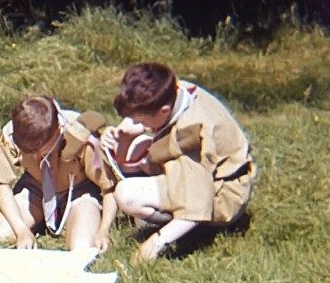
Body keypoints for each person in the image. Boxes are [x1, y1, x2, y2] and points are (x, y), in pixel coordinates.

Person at [101, 61, 255, 262]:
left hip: (225, 193)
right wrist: (121, 134)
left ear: (163, 111)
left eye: (140, 118)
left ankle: (196, 232)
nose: (136, 123)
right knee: (137, 148)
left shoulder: (191, 136)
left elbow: (197, 204)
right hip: (214, 174)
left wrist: (154, 244)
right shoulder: (172, 90)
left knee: (127, 194)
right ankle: (172, 218)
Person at [0, 95, 118, 252]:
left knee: (82, 247)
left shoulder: (81, 136)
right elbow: (2, 184)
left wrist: (103, 231)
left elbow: (109, 189)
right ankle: (39, 218)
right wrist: (21, 231)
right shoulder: (13, 133)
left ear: (58, 131)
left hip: (79, 192)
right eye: (29, 151)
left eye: (40, 149)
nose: (35, 156)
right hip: (35, 189)